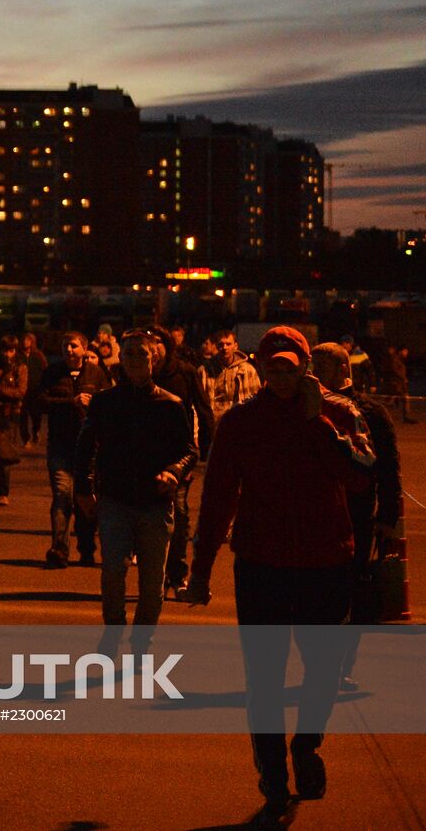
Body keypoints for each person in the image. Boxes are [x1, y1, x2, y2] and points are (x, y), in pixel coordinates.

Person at [183, 326, 376, 826]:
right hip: (262, 566)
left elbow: (359, 476)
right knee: (264, 679)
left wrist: (319, 424)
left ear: (306, 367)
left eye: (291, 366)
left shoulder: (339, 413)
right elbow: (218, 498)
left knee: (324, 670)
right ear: (262, 369)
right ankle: (272, 775)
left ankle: (306, 744)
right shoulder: (240, 422)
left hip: (325, 563)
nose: (282, 375)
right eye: (274, 366)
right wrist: (200, 570)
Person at [74, 330, 196, 656]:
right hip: (115, 499)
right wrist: (83, 488)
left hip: (155, 502)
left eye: (142, 353)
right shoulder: (105, 402)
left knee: (153, 582)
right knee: (113, 570)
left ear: (154, 358)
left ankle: (142, 642)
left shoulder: (170, 404)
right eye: (129, 354)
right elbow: (85, 446)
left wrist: (174, 471)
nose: (136, 360)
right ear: (121, 360)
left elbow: (189, 450)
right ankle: (113, 630)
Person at [310, 342, 402, 690]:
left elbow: (389, 469)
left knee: (352, 588)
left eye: (321, 368)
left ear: (342, 370)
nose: (314, 375)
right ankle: (323, 661)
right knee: (319, 589)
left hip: (358, 515)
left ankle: (341, 664)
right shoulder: (308, 406)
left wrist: (388, 518)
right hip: (317, 514)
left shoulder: (371, 412)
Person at [151, 326, 215, 596]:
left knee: (178, 513)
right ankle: (154, 575)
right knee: (150, 517)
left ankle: (177, 575)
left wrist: (207, 449)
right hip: (144, 454)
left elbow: (203, 409)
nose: (152, 348)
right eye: (148, 343)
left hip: (179, 454)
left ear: (167, 346)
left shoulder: (185, 372)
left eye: (157, 342)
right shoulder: (137, 372)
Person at [38, 332, 111, 567]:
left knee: (84, 499)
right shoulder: (52, 373)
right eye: (65, 346)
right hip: (60, 445)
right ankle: (59, 549)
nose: (69, 350)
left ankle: (87, 549)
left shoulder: (96, 374)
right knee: (62, 496)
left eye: (73, 346)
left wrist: (93, 404)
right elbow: (39, 401)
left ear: (84, 349)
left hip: (88, 448)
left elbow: (108, 403)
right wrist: (71, 402)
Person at [0, 335, 27, 507]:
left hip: (10, 415)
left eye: (10, 351)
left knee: (5, 454)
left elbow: (20, 391)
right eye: (5, 350)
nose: (7, 354)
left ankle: (2, 492)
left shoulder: (20, 367)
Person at [201, 329, 261, 426]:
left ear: (235, 346)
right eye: (221, 345)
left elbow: (257, 400)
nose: (224, 348)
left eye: (228, 344)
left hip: (240, 423)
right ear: (216, 346)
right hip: (214, 425)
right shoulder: (205, 371)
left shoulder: (247, 371)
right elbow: (198, 404)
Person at [19, 332, 47, 448]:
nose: (25, 342)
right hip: (22, 390)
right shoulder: (19, 356)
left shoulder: (38, 355)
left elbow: (45, 370)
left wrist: (43, 386)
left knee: (36, 414)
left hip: (35, 389)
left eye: (28, 340)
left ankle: (36, 431)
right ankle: (26, 438)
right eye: (24, 340)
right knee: (23, 415)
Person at [379, 344, 415, 424]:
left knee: (403, 399)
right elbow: (394, 370)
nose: (406, 353)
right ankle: (381, 415)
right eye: (405, 351)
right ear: (400, 351)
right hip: (396, 384)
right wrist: (403, 377)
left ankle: (406, 417)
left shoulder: (400, 359)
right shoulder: (395, 359)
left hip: (400, 384)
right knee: (389, 401)